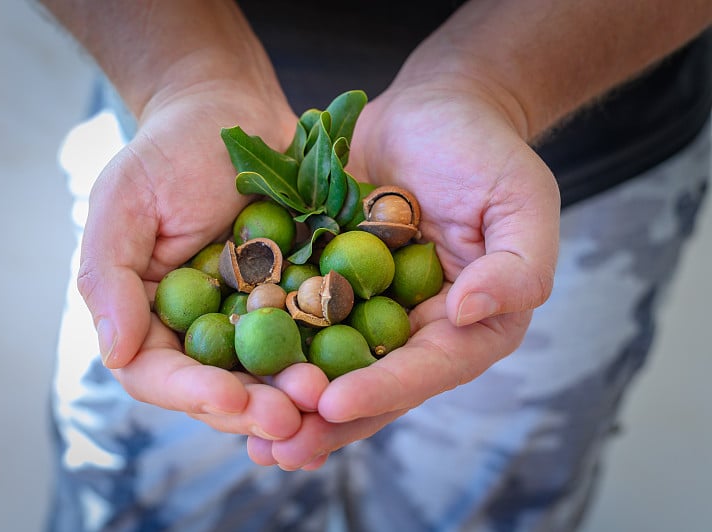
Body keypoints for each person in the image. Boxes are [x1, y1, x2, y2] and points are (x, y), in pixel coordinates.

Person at [40, 1, 712, 530]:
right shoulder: (236, 265)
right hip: (178, 146)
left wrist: (491, 88)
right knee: (145, 507)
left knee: (486, 502)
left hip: (561, 178)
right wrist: (185, 77)